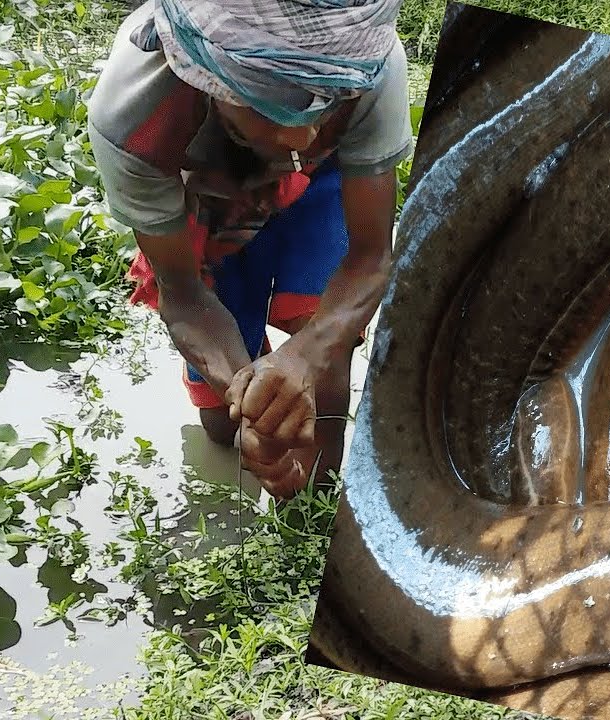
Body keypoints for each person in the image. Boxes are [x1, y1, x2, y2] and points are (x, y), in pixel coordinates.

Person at [87, 0, 411, 498]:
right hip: (208, 199)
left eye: (327, 98)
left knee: (326, 355)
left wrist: (304, 358)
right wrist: (249, 397)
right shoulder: (137, 120)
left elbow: (369, 260)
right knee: (222, 427)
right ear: (204, 76)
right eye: (274, 101)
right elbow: (184, 296)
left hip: (325, 178)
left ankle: (308, 508)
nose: (302, 132)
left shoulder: (371, 65)